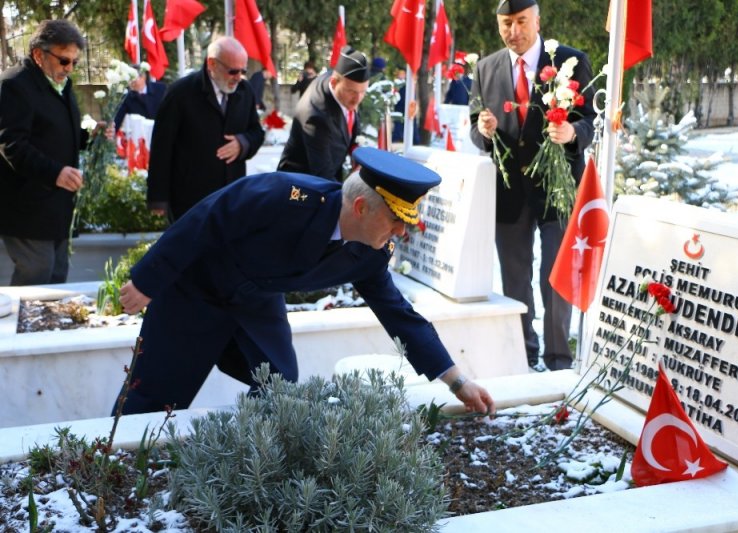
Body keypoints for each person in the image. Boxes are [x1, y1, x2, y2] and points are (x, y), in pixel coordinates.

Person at [112, 147, 496, 417]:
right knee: (154, 395)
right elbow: (208, 216)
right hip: (194, 292)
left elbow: (399, 314)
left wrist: (456, 381)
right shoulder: (288, 197)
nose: (400, 231)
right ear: (360, 208)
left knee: (278, 386)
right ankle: (119, 475)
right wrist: (149, 279)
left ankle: (249, 465)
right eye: (396, 218)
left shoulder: (370, 253)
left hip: (256, 302)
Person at [469, 0, 596, 371]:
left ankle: (558, 357)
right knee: (515, 278)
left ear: (537, 20)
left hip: (557, 190)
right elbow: (477, 125)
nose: (514, 31)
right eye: (506, 24)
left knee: (555, 277)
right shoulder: (485, 68)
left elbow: (588, 120)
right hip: (509, 195)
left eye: (521, 21)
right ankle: (522, 352)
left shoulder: (569, 61)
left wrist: (572, 132)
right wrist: (483, 131)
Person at [0, 20, 94, 285]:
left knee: (56, 276)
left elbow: (56, 134)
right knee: (37, 276)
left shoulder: (61, 83)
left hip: (57, 206)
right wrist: (56, 173)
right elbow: (12, 145)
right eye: (64, 61)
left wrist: (89, 136)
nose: (69, 69)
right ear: (39, 54)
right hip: (26, 205)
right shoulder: (14, 84)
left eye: (75, 62)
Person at [146, 36, 265, 221]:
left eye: (243, 71)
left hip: (231, 196)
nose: (238, 78)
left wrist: (243, 143)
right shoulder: (181, 93)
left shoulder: (245, 90)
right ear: (212, 64)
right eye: (233, 71)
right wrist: (158, 198)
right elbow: (162, 145)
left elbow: (257, 132)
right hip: (190, 199)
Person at [278, 46, 369, 182]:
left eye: (363, 92)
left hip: (329, 172)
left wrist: (356, 151)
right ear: (334, 82)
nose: (358, 99)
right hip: (301, 185)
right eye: (352, 92)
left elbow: (352, 122)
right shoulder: (316, 115)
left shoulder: (342, 89)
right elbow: (323, 175)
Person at [113, 64, 167, 130]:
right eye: (129, 79)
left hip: (161, 130)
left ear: (143, 77)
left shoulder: (160, 89)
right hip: (141, 135)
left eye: (133, 78)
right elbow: (117, 119)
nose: (131, 82)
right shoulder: (127, 97)